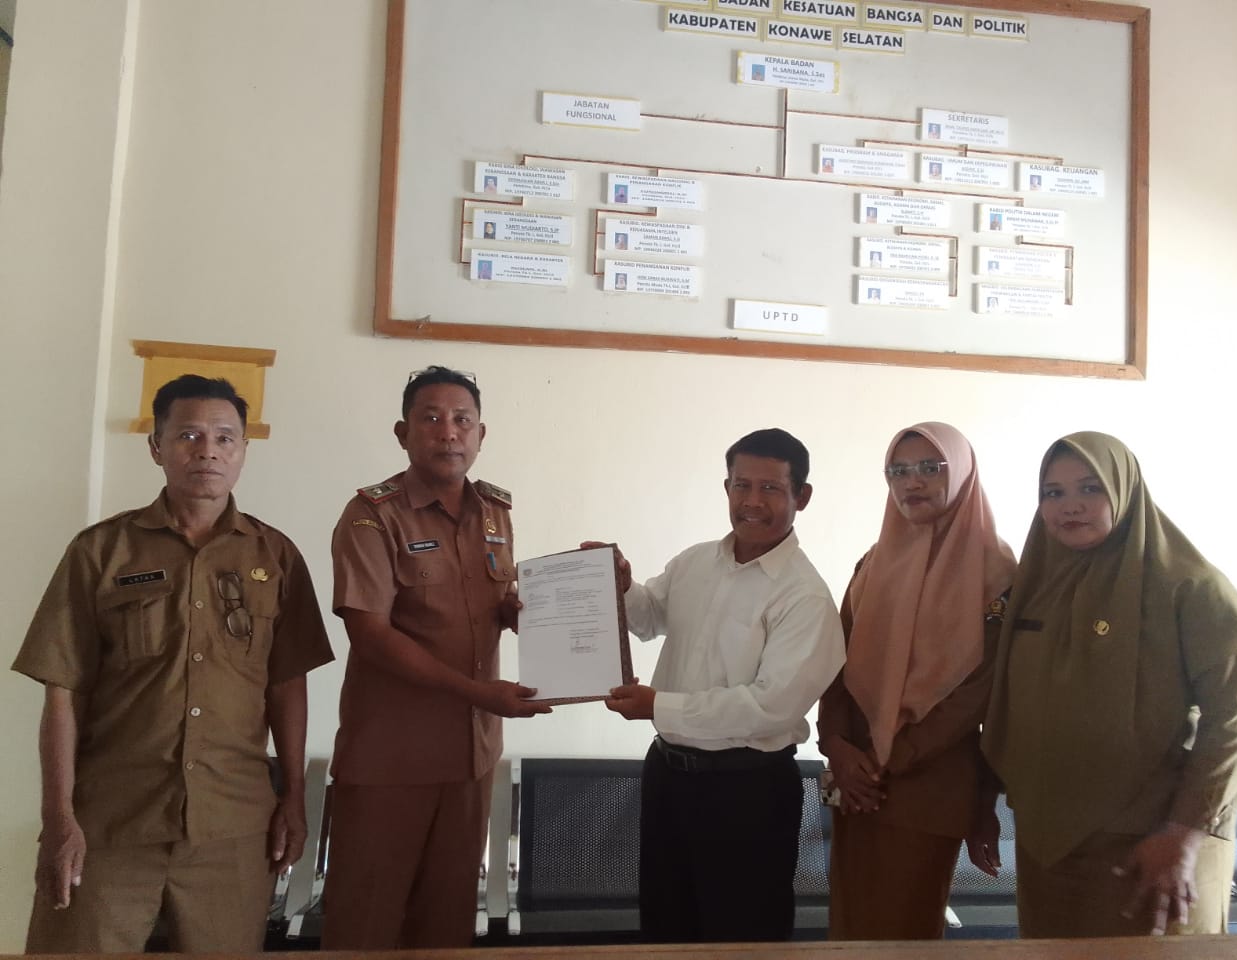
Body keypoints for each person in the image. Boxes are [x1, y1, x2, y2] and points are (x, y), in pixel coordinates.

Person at [11, 374, 333, 953]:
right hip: (112, 822)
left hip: (233, 828)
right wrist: (59, 817)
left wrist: (293, 800)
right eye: (188, 435)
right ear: (156, 447)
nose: (207, 450)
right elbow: (63, 691)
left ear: (242, 451)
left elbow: (288, 685)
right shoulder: (100, 552)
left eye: (224, 437)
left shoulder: (276, 556)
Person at [982, 431, 1237, 937]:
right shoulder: (1034, 586)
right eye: (1053, 492)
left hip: (1153, 848)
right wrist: (983, 799)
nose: (1070, 505)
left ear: (1125, 491)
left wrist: (1183, 834)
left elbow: (1236, 720)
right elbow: (1005, 701)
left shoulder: (1191, 587)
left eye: (1090, 488)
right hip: (1048, 847)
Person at [322, 365, 551, 950]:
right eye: (431, 418)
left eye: (462, 420)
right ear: (403, 433)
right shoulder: (372, 515)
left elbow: (493, 603)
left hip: (470, 759)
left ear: (481, 434)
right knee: (365, 924)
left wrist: (532, 616)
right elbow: (370, 633)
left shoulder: (495, 511)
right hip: (390, 761)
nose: (448, 432)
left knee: (446, 925)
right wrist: (479, 694)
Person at [590, 428, 845, 943]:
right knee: (665, 925)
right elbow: (650, 616)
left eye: (770, 488)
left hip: (746, 792)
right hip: (667, 777)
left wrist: (659, 707)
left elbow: (770, 708)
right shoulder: (695, 561)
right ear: (726, 488)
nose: (752, 501)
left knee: (743, 934)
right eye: (741, 485)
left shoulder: (805, 597)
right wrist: (620, 586)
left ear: (802, 496)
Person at [818, 422, 1017, 940]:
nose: (913, 481)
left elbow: (977, 693)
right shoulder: (874, 562)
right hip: (853, 781)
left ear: (963, 473)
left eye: (931, 467)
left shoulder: (996, 574)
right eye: (899, 470)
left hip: (926, 786)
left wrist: (883, 763)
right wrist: (836, 744)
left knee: (905, 934)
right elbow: (835, 661)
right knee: (849, 930)